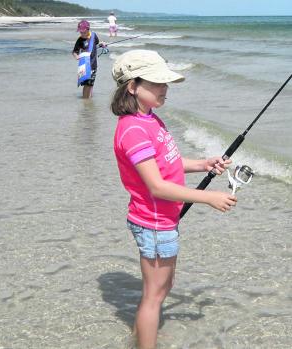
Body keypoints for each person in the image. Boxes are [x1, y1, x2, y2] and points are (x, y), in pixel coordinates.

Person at [111, 50, 237, 349]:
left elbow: (169, 163)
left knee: (162, 287)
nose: (164, 88)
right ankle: (146, 338)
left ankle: (145, 330)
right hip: (153, 223)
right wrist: (208, 198)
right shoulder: (134, 130)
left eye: (164, 82)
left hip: (162, 220)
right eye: (156, 83)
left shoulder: (151, 119)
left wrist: (203, 164)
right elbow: (157, 187)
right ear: (132, 86)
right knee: (154, 296)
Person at [72, 20, 99, 99]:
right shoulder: (80, 40)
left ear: (88, 29)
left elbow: (97, 43)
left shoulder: (94, 36)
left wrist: (102, 44)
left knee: (90, 84)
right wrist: (76, 56)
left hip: (93, 65)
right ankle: (85, 100)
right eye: (80, 32)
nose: (82, 34)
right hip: (84, 66)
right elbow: (74, 52)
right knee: (86, 84)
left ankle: (88, 99)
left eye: (83, 32)